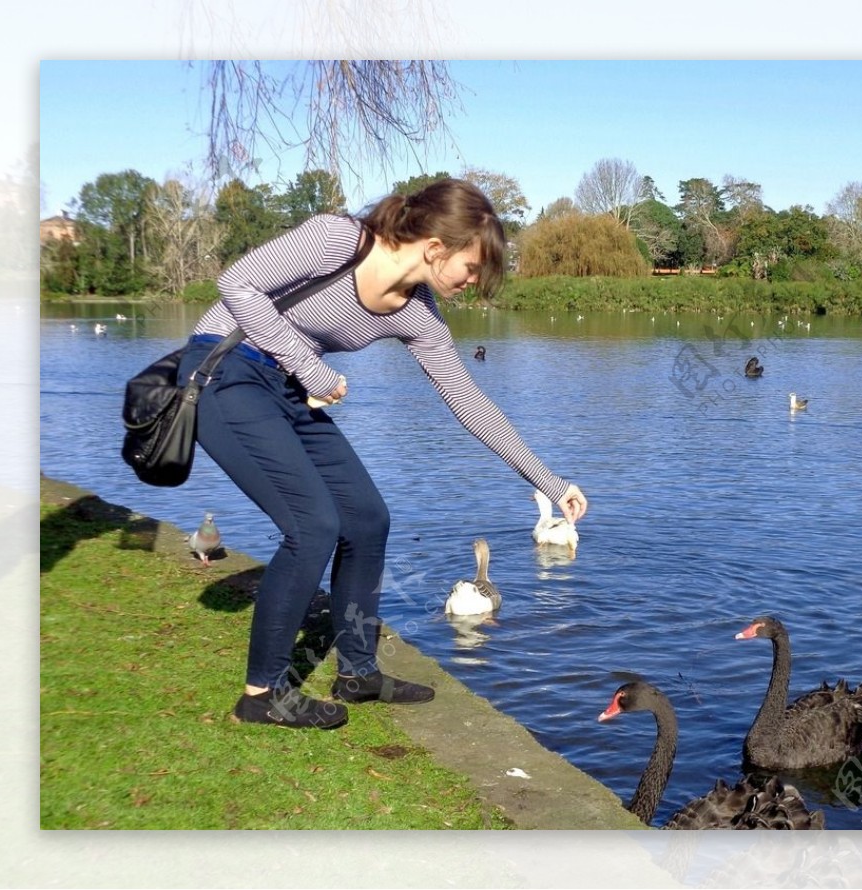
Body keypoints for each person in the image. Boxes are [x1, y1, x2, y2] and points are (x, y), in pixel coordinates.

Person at [179, 178, 588, 730]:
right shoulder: (337, 240)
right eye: (471, 267)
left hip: (289, 386)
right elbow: (237, 284)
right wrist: (311, 366)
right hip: (223, 371)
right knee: (312, 525)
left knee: (368, 520)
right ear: (436, 247)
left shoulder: (418, 313)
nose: (473, 281)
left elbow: (468, 400)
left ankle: (357, 671)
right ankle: (262, 694)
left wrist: (548, 480)